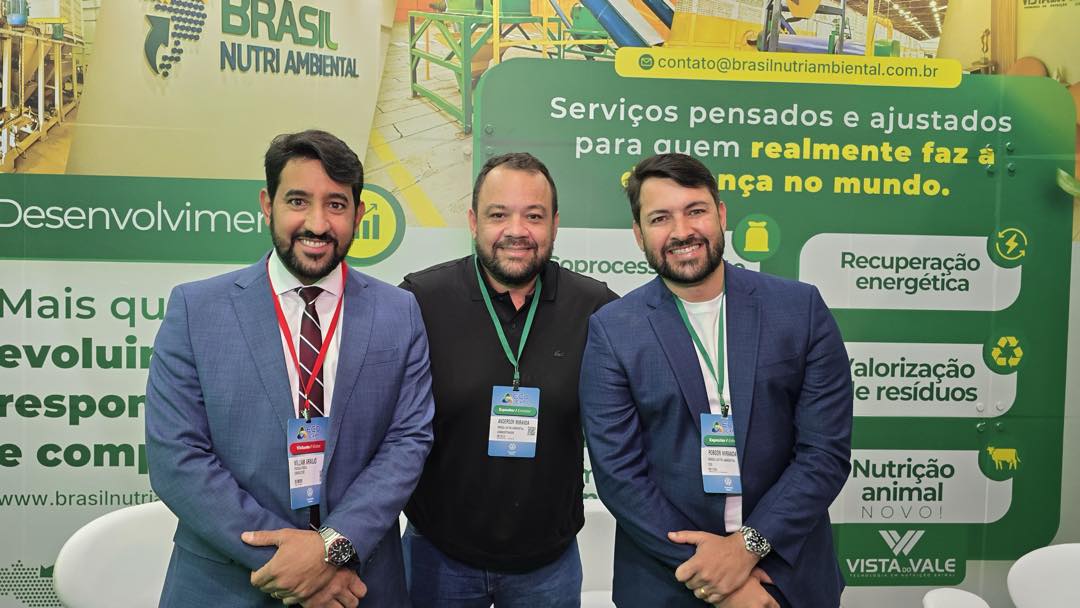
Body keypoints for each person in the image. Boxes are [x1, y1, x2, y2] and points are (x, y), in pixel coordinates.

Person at [145, 129, 434, 607]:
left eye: (336, 205)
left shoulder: (398, 312)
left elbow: (408, 441)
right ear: (268, 204)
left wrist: (333, 548)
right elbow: (177, 457)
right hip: (228, 585)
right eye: (298, 201)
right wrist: (294, 564)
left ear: (359, 214)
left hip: (358, 584)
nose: (317, 223)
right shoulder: (196, 310)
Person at [579, 153, 852, 608]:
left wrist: (747, 548)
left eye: (696, 210)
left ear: (721, 215)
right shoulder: (614, 330)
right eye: (660, 218)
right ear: (638, 234)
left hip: (786, 575)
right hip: (668, 580)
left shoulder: (800, 310)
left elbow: (824, 454)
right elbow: (619, 475)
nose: (682, 231)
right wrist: (714, 574)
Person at [399, 152, 618, 607]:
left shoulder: (596, 308)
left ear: (555, 224)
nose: (516, 230)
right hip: (437, 556)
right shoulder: (419, 301)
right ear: (473, 221)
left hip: (549, 566)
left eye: (533, 216)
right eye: (499, 214)